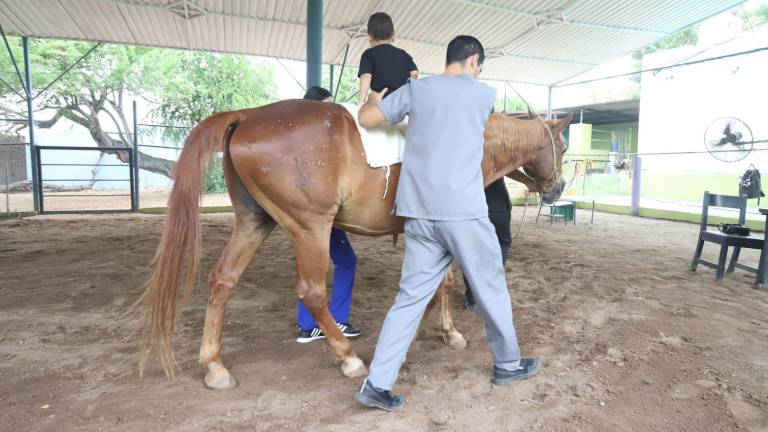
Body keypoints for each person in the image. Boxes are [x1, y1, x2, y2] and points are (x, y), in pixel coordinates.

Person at [353, 36, 540, 412]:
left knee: (408, 299)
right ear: (474, 60)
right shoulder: (484, 94)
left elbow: (367, 119)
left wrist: (373, 100)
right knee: (490, 287)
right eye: (479, 65)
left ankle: (376, 383)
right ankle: (507, 364)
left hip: (419, 213)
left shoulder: (415, 90)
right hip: (464, 212)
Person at [295, 85, 361, 343]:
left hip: (303, 211)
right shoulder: (321, 141)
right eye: (328, 106)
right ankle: (338, 319)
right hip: (322, 212)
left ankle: (306, 325)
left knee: (306, 261)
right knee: (346, 261)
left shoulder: (299, 140)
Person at [464, 179, 512, 310]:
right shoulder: (496, 157)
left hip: (469, 203)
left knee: (471, 249)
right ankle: (491, 292)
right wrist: (528, 181)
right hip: (497, 204)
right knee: (502, 243)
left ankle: (473, 298)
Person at [357, 12, 419, 106]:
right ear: (393, 35)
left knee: (363, 118)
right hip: (401, 102)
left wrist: (362, 101)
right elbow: (414, 73)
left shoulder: (368, 54)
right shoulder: (404, 54)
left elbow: (366, 76)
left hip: (380, 101)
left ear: (370, 36)